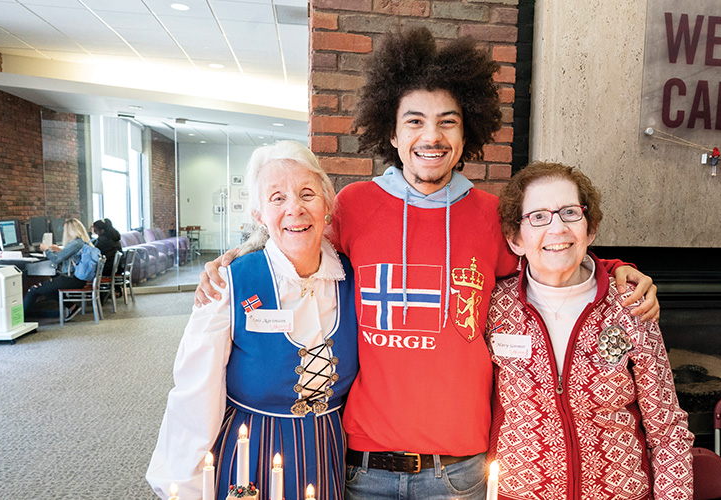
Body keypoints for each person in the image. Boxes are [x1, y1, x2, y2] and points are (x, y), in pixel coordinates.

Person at [196, 28, 659, 499]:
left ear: (466, 134)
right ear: (392, 133)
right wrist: (238, 256)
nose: (431, 137)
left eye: (448, 122)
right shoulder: (355, 205)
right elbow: (295, 245)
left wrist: (616, 266)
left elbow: (551, 254)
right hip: (362, 466)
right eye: (414, 121)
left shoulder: (489, 215)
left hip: (459, 472)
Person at [147, 141, 359, 500]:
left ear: (326, 204)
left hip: (327, 455)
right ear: (259, 214)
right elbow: (194, 394)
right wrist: (185, 486)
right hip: (253, 453)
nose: (295, 209)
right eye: (277, 198)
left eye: (307, 194)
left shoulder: (353, 279)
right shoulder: (229, 282)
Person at [487, 162, 693, 499]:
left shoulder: (630, 303)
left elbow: (667, 430)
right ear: (515, 238)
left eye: (570, 212)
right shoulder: (495, 305)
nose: (557, 228)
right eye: (538, 216)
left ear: (590, 228)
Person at [22, 218, 94, 320]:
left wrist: (46, 250)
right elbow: (73, 256)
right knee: (48, 287)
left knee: (34, 289)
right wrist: (60, 250)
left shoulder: (74, 243)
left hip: (71, 279)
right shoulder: (81, 242)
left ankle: (20, 319)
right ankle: (72, 307)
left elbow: (56, 260)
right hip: (78, 279)